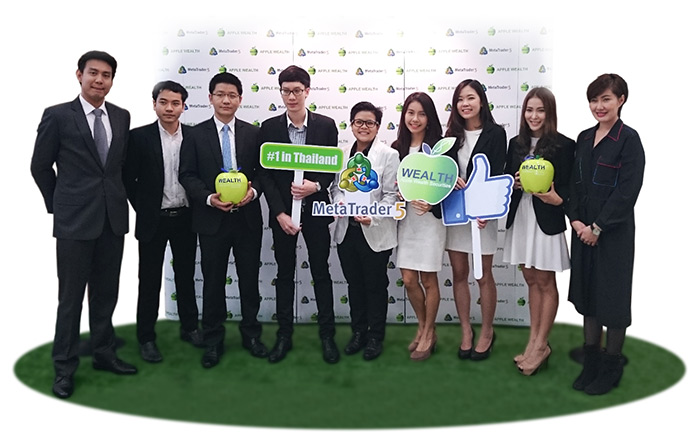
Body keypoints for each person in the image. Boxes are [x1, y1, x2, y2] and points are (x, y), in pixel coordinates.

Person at [31, 50, 137, 399]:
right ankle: (64, 368)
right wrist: (59, 206)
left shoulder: (121, 116)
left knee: (106, 294)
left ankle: (104, 353)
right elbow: (40, 166)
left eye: (106, 75)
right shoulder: (58, 115)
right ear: (79, 75)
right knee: (71, 298)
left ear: (112, 80)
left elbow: (118, 167)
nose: (99, 80)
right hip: (74, 223)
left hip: (112, 220)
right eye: (93, 73)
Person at [179, 72, 267, 368]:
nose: (226, 100)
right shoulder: (194, 134)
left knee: (249, 281)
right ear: (210, 98)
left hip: (247, 220)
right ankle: (213, 340)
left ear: (240, 99)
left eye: (232, 95)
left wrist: (253, 192)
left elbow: (263, 173)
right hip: (211, 220)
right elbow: (187, 174)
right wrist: (208, 198)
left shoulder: (254, 134)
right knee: (213, 282)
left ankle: (251, 335)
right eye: (220, 95)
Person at [568, 74, 645, 395]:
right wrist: (576, 221)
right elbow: (574, 183)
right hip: (582, 231)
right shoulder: (584, 137)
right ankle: (591, 361)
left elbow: (627, 191)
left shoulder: (629, 139)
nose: (599, 106)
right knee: (588, 296)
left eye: (606, 99)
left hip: (612, 235)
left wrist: (598, 227)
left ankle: (611, 366)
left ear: (621, 100)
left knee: (611, 299)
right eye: (594, 100)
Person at [258, 65, 340, 364]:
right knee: (284, 274)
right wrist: (279, 213)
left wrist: (314, 186)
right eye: (286, 91)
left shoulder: (326, 126)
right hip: (283, 217)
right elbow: (265, 175)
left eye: (296, 91)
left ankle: (327, 336)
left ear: (307, 91)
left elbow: (332, 168)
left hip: (316, 211)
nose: (291, 96)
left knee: (321, 272)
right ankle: (284, 336)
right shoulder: (269, 128)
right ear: (280, 92)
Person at [124, 80, 201, 363]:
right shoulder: (138, 137)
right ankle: (146, 337)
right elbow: (127, 179)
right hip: (153, 220)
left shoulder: (194, 136)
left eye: (175, 103)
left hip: (186, 217)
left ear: (184, 106)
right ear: (154, 104)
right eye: (163, 102)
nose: (169, 108)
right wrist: (145, 208)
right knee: (149, 280)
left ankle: (190, 328)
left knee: (185, 276)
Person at [502, 87, 575, 375]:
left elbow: (570, 187)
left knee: (545, 281)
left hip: (546, 219)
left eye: (540, 110)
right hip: (521, 217)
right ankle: (533, 341)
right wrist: (513, 183)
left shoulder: (564, 145)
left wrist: (558, 199)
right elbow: (506, 180)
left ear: (550, 113)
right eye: (529, 110)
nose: (534, 116)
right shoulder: (515, 144)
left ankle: (542, 344)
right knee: (530, 278)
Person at [330, 102, 399, 360]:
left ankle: (375, 337)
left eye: (370, 122)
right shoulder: (342, 154)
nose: (364, 127)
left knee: (375, 286)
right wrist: (340, 203)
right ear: (351, 125)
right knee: (355, 285)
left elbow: (391, 195)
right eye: (359, 122)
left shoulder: (388, 155)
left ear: (378, 127)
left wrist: (374, 216)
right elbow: (335, 188)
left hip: (375, 231)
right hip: (347, 231)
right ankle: (358, 332)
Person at [444, 79, 506, 361]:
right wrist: (451, 179)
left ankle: (487, 332)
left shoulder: (496, 133)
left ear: (481, 100)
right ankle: (466, 331)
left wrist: (487, 211)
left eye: (470, 97)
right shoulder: (451, 136)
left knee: (483, 275)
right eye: (460, 99)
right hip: (456, 213)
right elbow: (443, 172)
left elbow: (496, 173)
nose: (465, 104)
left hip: (483, 215)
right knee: (459, 274)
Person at [391, 92, 445, 361]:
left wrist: (432, 204)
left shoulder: (440, 149)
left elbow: (447, 186)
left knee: (428, 279)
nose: (415, 119)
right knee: (409, 279)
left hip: (430, 223)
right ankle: (425, 327)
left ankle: (427, 332)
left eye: (421, 114)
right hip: (406, 222)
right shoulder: (397, 147)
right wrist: (397, 193)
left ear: (430, 118)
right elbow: (391, 185)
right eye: (410, 113)